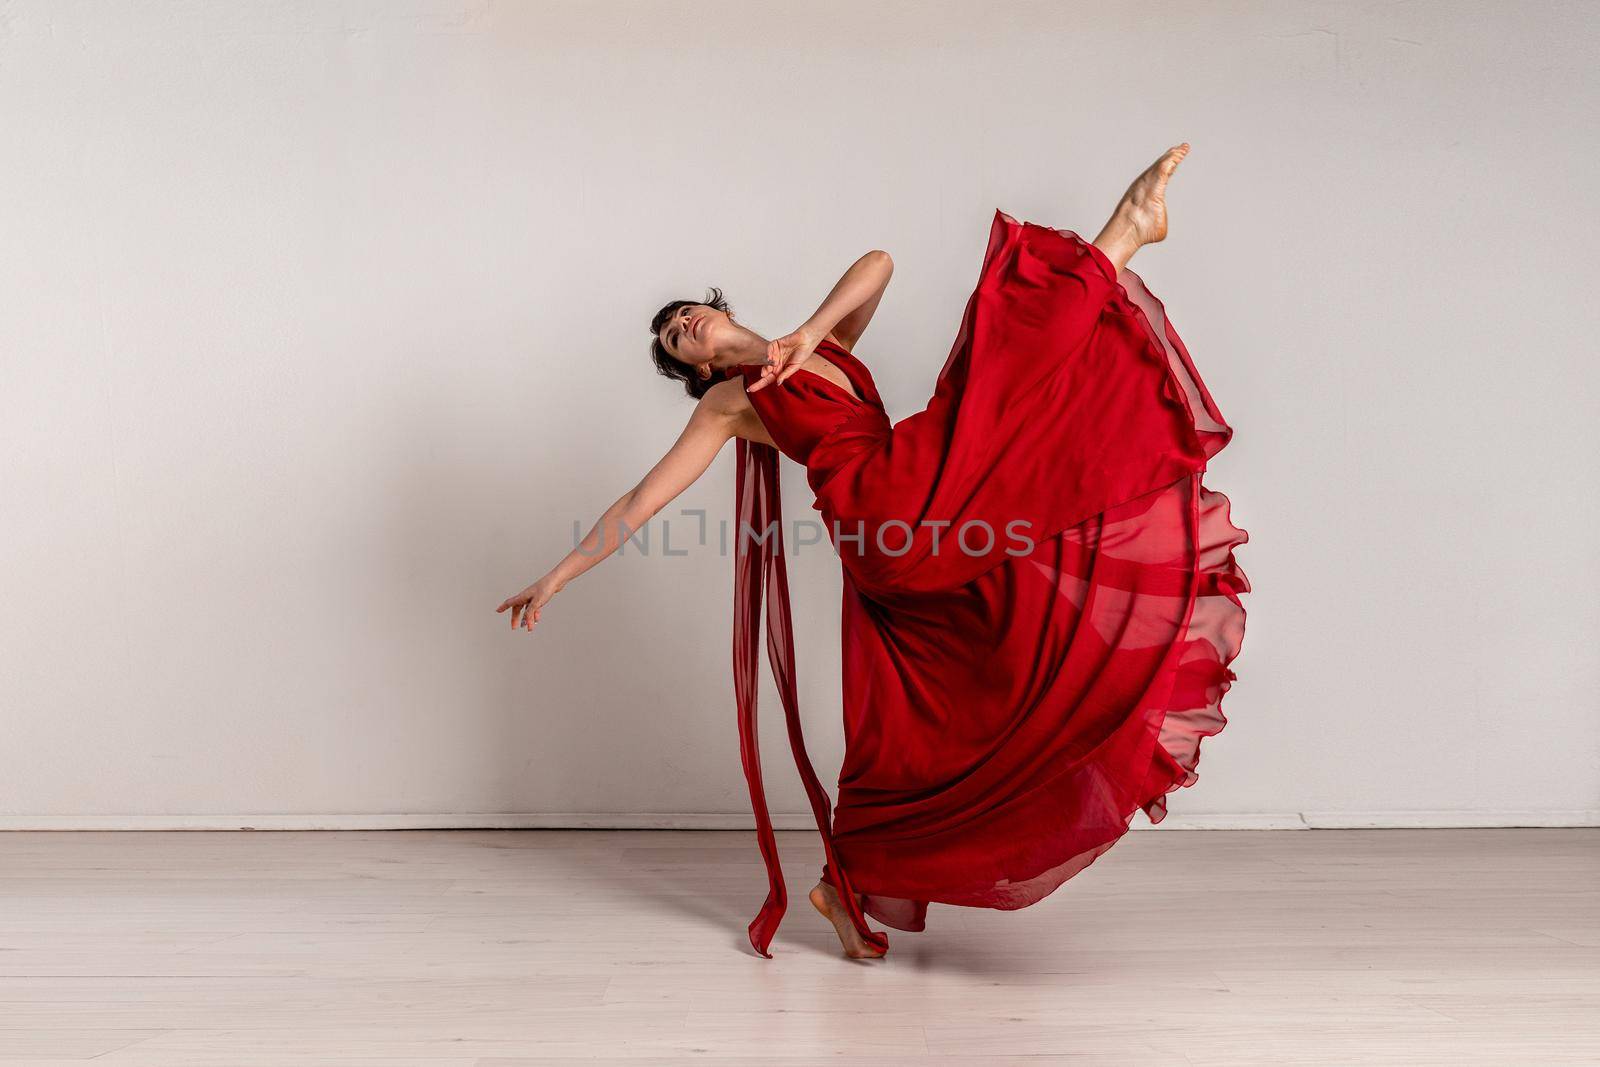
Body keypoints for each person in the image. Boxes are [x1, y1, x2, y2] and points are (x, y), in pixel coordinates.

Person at [497, 144, 1249, 960]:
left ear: (717, 311)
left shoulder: (819, 344)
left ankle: (843, 885)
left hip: (917, 502)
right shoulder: (728, 402)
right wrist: (557, 574)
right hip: (884, 510)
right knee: (993, 388)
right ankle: (1123, 233)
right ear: (701, 367)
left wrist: (810, 330)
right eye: (679, 342)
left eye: (686, 316)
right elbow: (642, 503)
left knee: (934, 703)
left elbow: (880, 263)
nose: (686, 328)